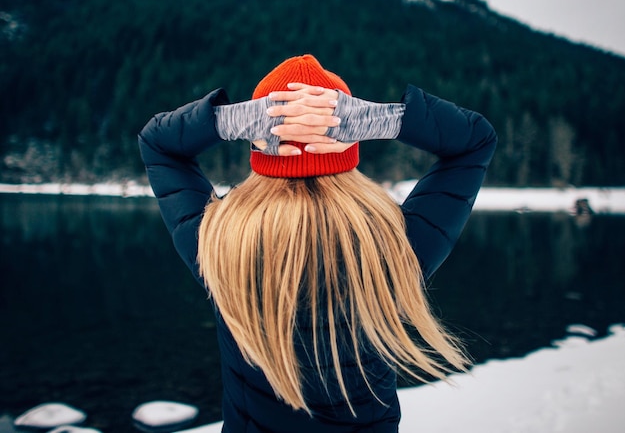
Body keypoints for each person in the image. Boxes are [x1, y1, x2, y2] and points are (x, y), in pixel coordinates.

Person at [138, 54, 497, 433]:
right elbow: (475, 139)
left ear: (259, 138)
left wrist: (226, 120)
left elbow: (157, 142)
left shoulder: (221, 246)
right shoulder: (395, 246)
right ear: (350, 137)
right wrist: (389, 119)